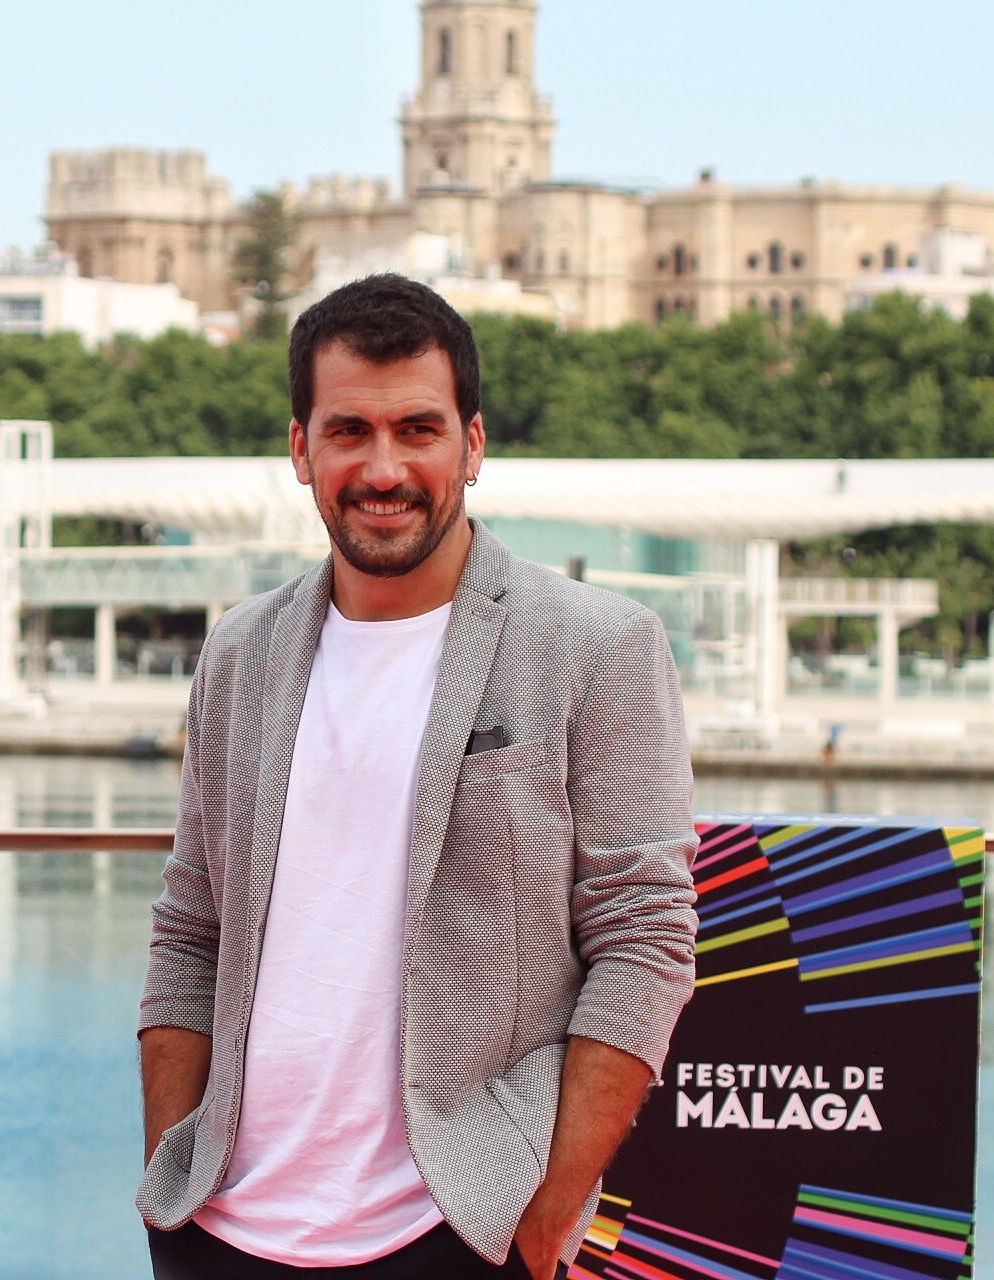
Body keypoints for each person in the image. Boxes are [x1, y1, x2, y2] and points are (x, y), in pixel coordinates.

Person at [137, 274, 697, 1280]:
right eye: (348, 429)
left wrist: (546, 1212)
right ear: (301, 448)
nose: (383, 467)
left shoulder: (595, 645)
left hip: (458, 1228)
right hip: (222, 1227)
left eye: (419, 429)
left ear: (472, 444)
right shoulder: (239, 653)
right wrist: (169, 1169)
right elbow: (191, 923)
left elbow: (646, 937)